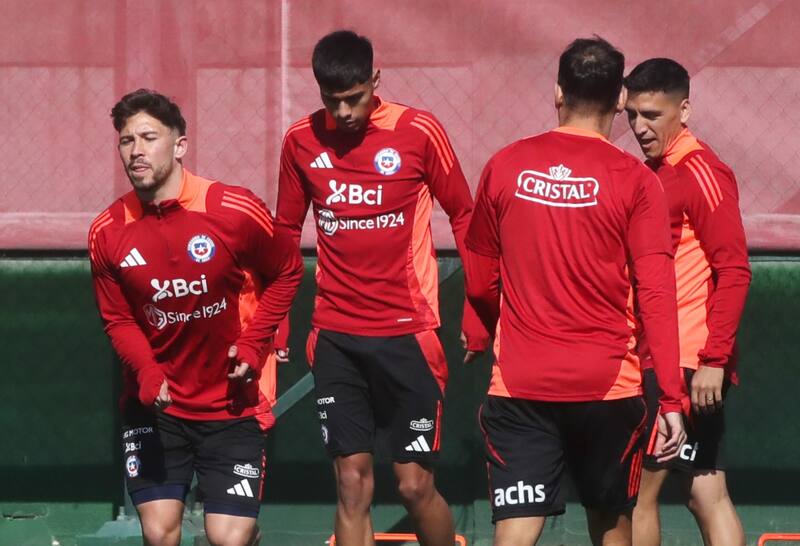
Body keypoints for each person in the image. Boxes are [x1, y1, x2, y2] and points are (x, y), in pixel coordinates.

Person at [463, 37, 687, 546]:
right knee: (610, 525)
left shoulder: (504, 165)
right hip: (607, 386)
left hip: (521, 383)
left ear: (557, 93)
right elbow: (656, 294)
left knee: (514, 533)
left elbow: (480, 277)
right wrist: (672, 397)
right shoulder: (636, 180)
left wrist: (485, 329)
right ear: (618, 103)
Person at [276, 30, 488, 546]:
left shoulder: (418, 131)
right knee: (351, 485)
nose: (345, 111)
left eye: (355, 98)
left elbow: (465, 214)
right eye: (333, 100)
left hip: (408, 336)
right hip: (336, 338)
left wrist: (480, 311)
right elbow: (284, 232)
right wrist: (279, 322)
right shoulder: (301, 141)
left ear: (375, 79)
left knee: (414, 486)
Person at [88, 89, 303, 546]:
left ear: (180, 145)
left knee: (228, 538)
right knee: (160, 532)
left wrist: (254, 343)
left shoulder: (232, 210)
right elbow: (118, 320)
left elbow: (288, 271)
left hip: (231, 405)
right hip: (156, 406)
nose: (137, 150)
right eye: (127, 141)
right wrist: (146, 370)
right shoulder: (107, 232)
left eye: (149, 137)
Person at [624, 58, 751, 546]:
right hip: (671, 358)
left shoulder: (700, 169)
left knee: (638, 496)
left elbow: (734, 269)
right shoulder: (654, 171)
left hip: (682, 362)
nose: (639, 127)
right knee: (704, 490)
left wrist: (714, 360)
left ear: (685, 110)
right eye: (632, 114)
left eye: (652, 115)